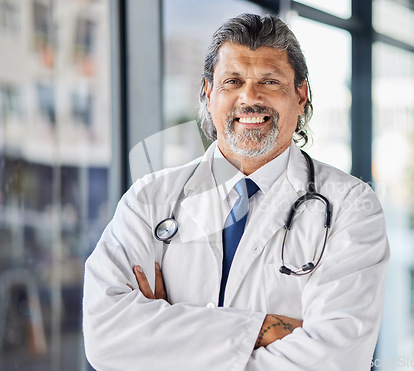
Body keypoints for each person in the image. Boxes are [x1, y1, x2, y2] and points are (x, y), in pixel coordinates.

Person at [83, 13, 390, 370]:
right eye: (232, 81)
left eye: (270, 81)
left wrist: (167, 336)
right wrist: (264, 328)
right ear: (208, 93)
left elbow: (336, 358)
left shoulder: (351, 207)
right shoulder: (149, 198)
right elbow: (105, 336)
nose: (250, 97)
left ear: (301, 95)